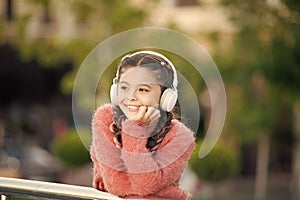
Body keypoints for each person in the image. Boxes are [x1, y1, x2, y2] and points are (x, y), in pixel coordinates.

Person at [90, 50, 195, 200]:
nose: (131, 97)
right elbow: (115, 185)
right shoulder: (105, 118)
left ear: (166, 97)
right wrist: (160, 192)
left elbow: (145, 184)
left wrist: (134, 131)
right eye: (124, 88)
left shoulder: (181, 137)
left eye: (142, 90)